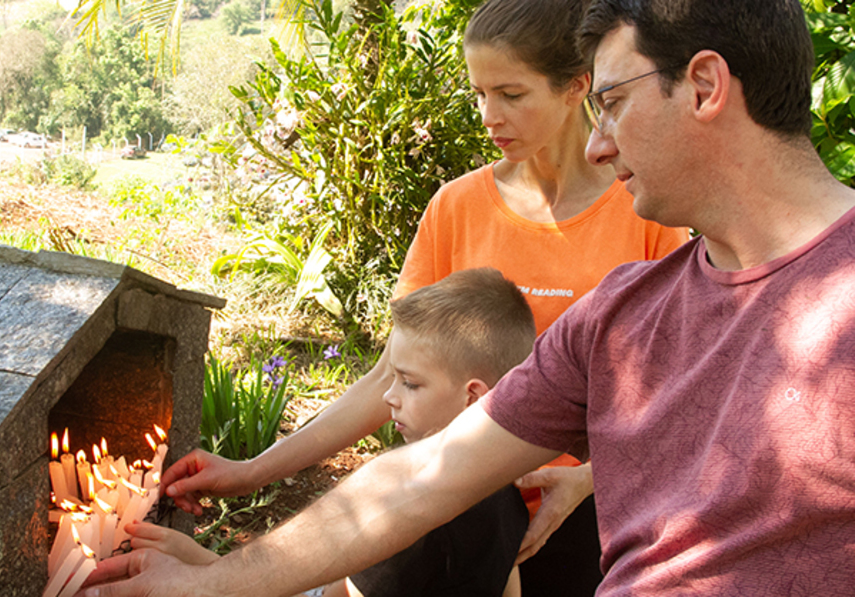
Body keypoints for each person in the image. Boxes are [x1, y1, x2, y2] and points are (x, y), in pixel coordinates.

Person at [79, 0, 855, 595]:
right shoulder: (624, 311)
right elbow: (424, 478)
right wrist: (216, 582)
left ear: (706, 86)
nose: (597, 142)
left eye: (612, 101)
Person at [159, 1, 688, 594]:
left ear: (576, 87)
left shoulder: (648, 215)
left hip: (587, 521)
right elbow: (391, 373)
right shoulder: (455, 209)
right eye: (479, 94)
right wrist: (252, 472)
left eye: (511, 94)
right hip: (453, 509)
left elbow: (673, 397)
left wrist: (586, 481)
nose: (490, 115)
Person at [127, 268, 537, 597]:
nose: (390, 397)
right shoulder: (504, 489)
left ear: (473, 398)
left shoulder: (410, 519)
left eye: (409, 383)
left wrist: (200, 564)